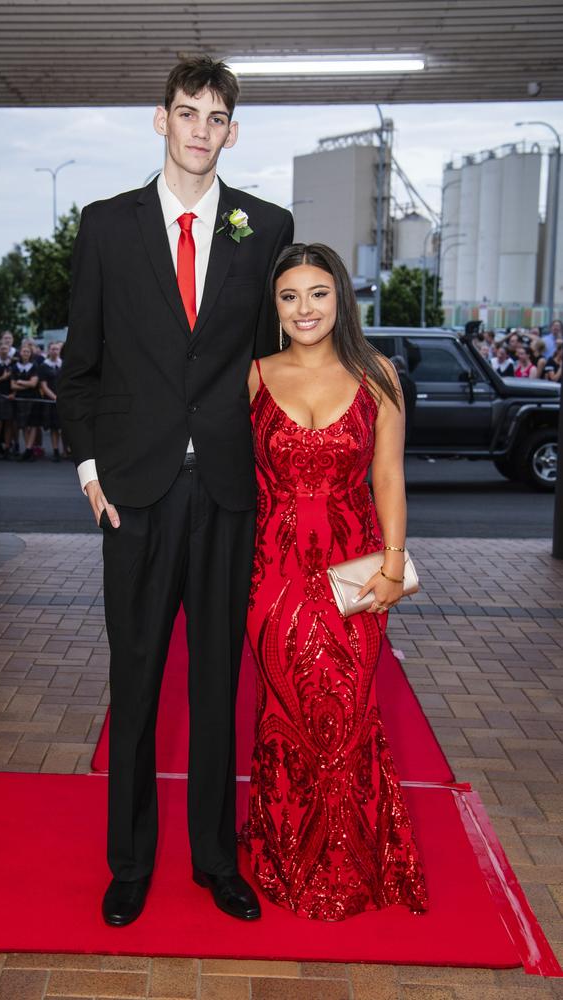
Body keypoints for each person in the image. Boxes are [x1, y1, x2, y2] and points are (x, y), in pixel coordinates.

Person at [58, 55, 294, 928]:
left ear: (232, 131)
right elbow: (78, 369)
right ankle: (129, 862)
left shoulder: (263, 227)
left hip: (232, 491)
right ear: (161, 119)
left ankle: (215, 861)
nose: (200, 129)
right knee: (138, 678)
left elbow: (279, 358)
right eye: (186, 112)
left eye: (216, 117)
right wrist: (89, 469)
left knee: (219, 687)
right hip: (138, 493)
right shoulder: (107, 227)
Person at [243, 243, 428, 920]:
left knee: (349, 713)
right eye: (289, 297)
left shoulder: (377, 373)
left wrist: (393, 563)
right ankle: (286, 849)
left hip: (353, 571)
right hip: (272, 576)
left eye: (318, 293)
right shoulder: (256, 376)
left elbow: (388, 476)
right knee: (286, 713)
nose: (305, 309)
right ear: (276, 307)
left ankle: (349, 858)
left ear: (341, 297)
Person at [10, 342, 41, 460]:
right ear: (20, 353)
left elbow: (34, 384)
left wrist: (21, 382)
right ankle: (28, 448)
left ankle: (28, 449)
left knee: (32, 424)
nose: (26, 353)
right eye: (24, 351)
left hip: (33, 398)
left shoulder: (34, 366)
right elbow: (12, 386)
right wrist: (26, 385)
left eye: (28, 351)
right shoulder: (15, 367)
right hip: (21, 399)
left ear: (30, 353)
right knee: (23, 425)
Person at [39, 341, 63, 461]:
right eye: (52, 349)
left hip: (64, 400)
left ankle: (67, 451)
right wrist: (55, 398)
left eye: (57, 349)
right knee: (54, 427)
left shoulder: (64, 364)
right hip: (52, 401)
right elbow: (43, 386)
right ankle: (55, 450)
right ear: (49, 350)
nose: (55, 351)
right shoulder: (44, 366)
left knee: (65, 427)